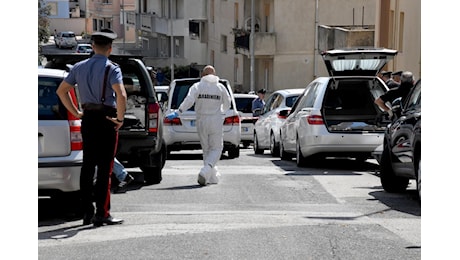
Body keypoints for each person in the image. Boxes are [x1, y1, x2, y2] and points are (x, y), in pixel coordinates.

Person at [56, 29, 127, 227]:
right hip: (107, 118)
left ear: (93, 47)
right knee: (105, 167)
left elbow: (61, 91)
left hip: (88, 118)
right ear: (110, 49)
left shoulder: (79, 67)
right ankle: (102, 213)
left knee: (88, 166)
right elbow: (121, 95)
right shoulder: (112, 68)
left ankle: (87, 211)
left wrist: (77, 111)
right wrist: (120, 118)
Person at [165, 65, 231, 186]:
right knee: (217, 148)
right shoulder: (220, 87)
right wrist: (222, 111)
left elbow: (189, 100)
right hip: (215, 120)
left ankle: (211, 176)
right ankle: (206, 170)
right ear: (215, 75)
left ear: (203, 75)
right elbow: (228, 102)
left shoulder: (197, 86)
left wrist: (178, 112)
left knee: (206, 149)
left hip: (201, 120)